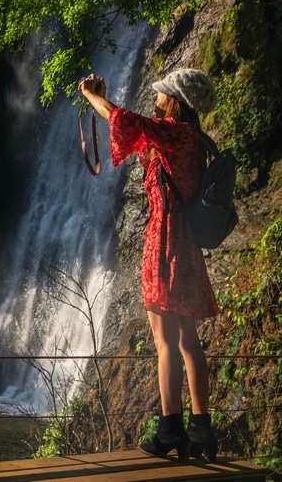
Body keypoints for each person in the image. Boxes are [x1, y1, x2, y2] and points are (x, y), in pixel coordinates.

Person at [78, 67, 220, 462]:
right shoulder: (187, 140)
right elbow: (137, 137)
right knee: (188, 342)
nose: (155, 95)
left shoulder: (175, 134)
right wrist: (104, 101)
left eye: (162, 92)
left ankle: (170, 428)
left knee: (165, 344)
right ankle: (201, 429)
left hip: (165, 244)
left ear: (175, 101)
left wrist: (91, 96)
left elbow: (124, 121)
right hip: (185, 247)